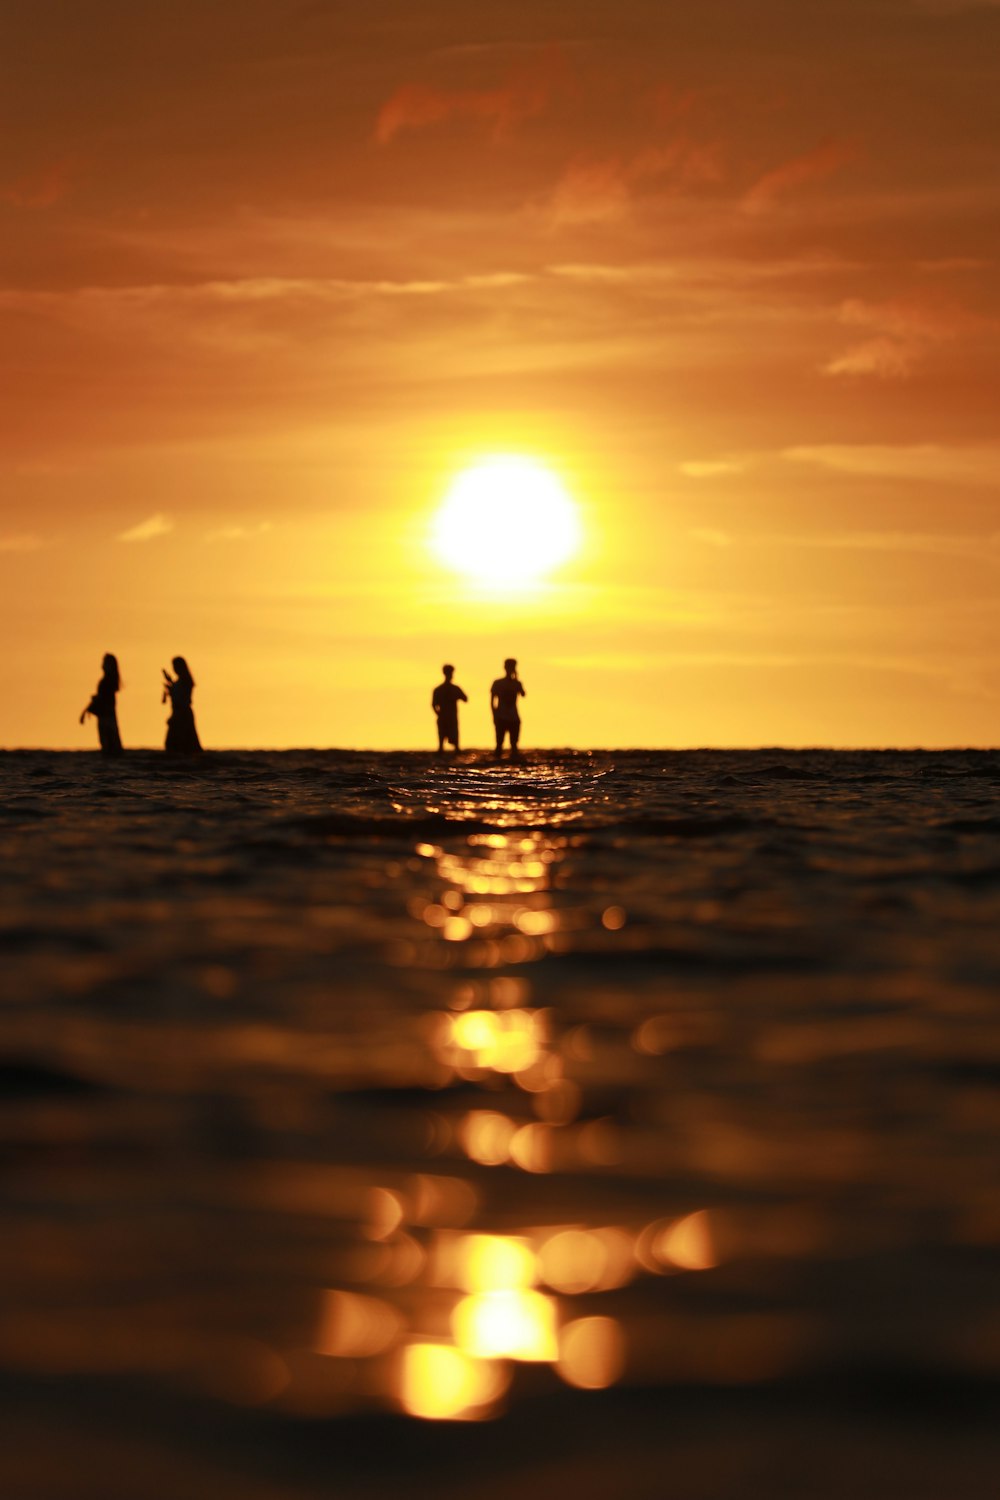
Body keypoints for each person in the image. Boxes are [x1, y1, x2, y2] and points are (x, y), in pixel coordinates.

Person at [79, 653, 123, 754]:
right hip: (109, 716)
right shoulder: (110, 682)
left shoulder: (105, 682)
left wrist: (86, 711)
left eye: (105, 662)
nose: (102, 665)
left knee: (108, 745)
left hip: (105, 717)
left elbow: (101, 699)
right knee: (113, 745)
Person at [162, 657, 202, 753]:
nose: (174, 668)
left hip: (182, 713)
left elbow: (181, 697)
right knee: (177, 742)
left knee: (182, 741)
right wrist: (170, 683)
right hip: (178, 712)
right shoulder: (180, 681)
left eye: (176, 666)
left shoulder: (185, 681)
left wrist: (171, 686)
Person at [490, 657, 525, 757]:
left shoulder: (517, 683)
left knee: (514, 745)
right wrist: (494, 714)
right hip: (501, 716)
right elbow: (492, 701)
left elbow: (523, 694)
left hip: (513, 717)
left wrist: (516, 678)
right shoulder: (498, 683)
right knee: (499, 745)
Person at [432, 663, 468, 752]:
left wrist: (439, 713)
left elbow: (465, 699)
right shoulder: (449, 689)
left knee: (451, 740)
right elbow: (433, 704)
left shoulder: (441, 689)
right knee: (443, 741)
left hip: (449, 717)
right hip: (447, 717)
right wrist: (439, 714)